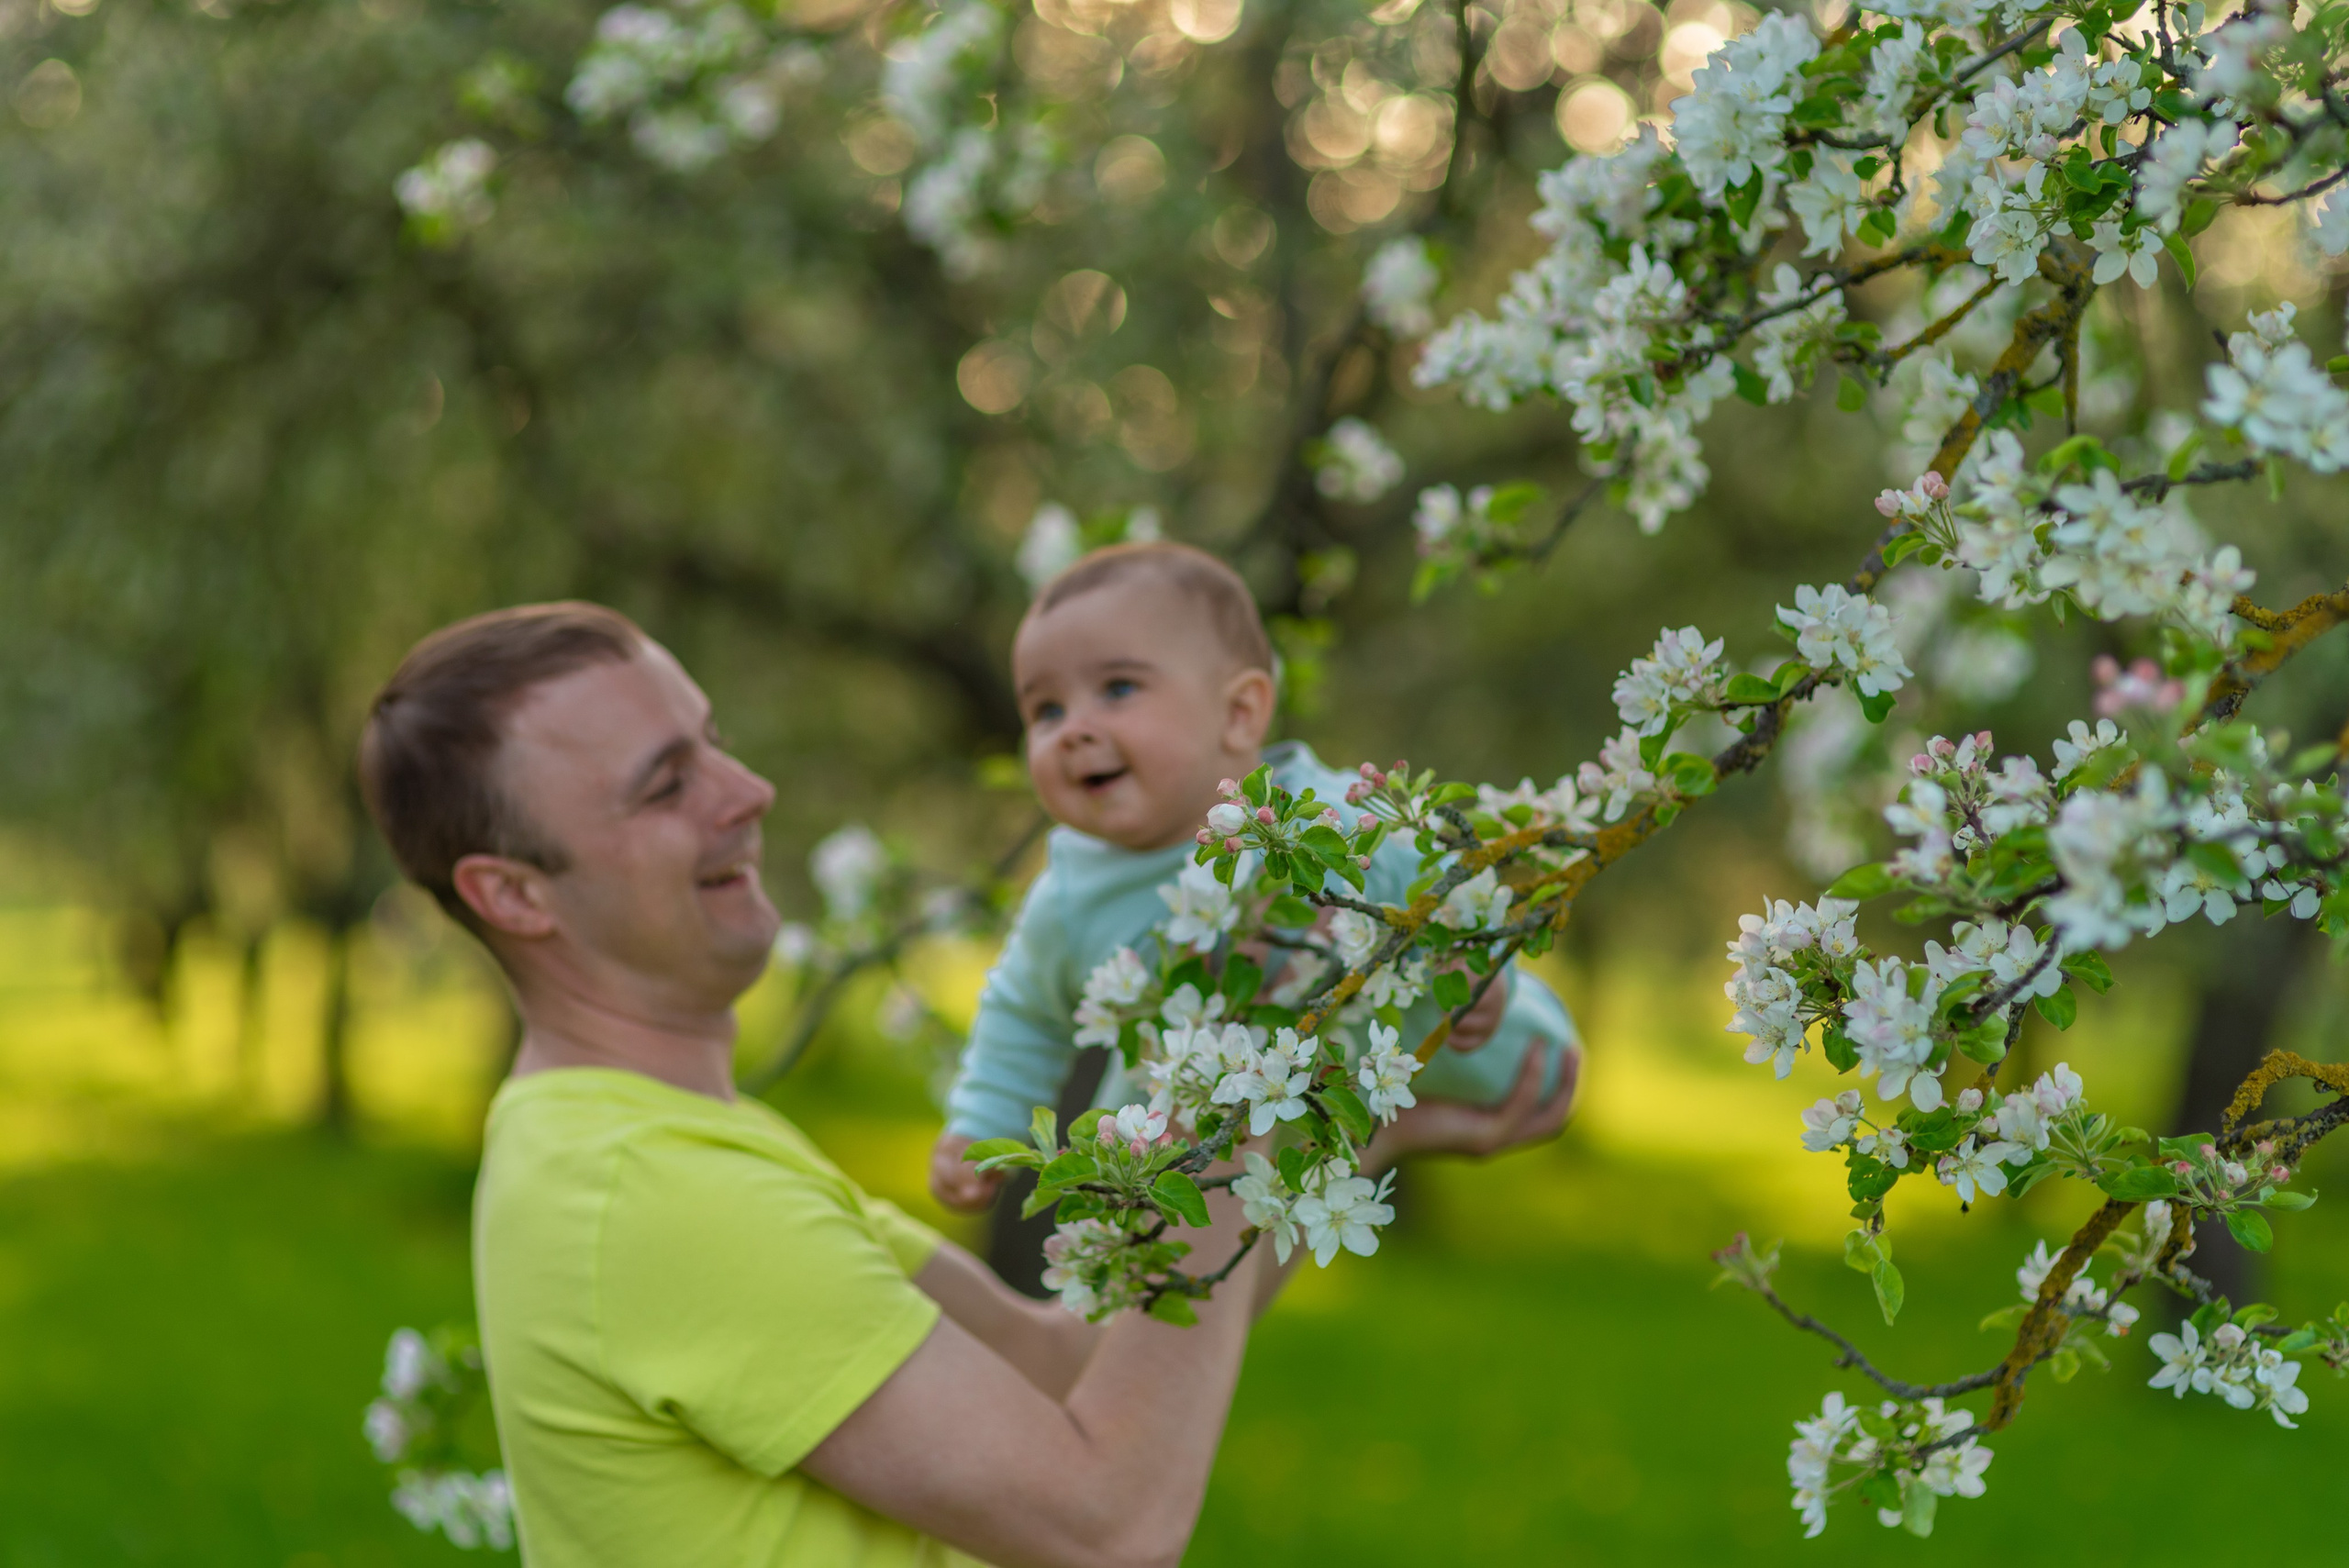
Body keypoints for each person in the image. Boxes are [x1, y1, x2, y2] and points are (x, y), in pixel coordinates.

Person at [358, 601, 1576, 1568]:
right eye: (665, 783)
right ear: (513, 893)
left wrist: (1348, 1132)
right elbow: (1107, 1525)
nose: (748, 792)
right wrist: (1248, 1092)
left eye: (714, 740)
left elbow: (1072, 1361)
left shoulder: (659, 1143)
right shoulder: (649, 1191)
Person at [931, 541, 1581, 1214]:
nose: (1073, 730)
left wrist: (1479, 966)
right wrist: (982, 1124)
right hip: (1258, 1157)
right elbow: (1022, 1014)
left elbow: (1443, 873)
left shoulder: (1316, 820)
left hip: (1511, 1063)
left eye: (1118, 688)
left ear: (1239, 712)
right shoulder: (1068, 895)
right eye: (1046, 711)